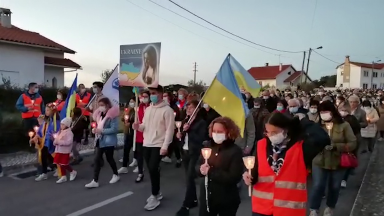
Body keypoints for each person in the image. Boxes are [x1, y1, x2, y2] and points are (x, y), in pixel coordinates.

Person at [243, 111, 329, 216]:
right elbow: (255, 173)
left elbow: (322, 138)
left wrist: (303, 121)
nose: (270, 136)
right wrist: (248, 176)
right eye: (267, 132)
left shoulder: (300, 148)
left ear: (285, 130)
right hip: (261, 209)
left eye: (274, 132)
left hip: (289, 210)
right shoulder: (261, 145)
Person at [310, 101, 357, 216]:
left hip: (338, 160)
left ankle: (330, 207)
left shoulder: (344, 125)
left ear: (332, 112)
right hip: (319, 160)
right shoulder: (316, 126)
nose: (323, 114)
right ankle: (313, 209)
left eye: (325, 112)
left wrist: (337, 146)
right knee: (318, 185)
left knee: (334, 186)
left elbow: (352, 143)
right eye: (321, 112)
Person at [133, 85, 175, 210]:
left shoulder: (167, 110)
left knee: (152, 167)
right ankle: (157, 192)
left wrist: (165, 146)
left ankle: (154, 195)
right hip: (147, 143)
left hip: (158, 144)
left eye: (154, 93)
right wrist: (138, 127)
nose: (152, 96)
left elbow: (169, 130)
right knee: (152, 169)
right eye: (151, 93)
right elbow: (144, 125)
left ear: (161, 94)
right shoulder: (149, 109)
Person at [198, 117, 243, 216]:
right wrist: (200, 170)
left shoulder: (235, 151)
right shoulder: (207, 146)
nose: (216, 134)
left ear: (228, 132)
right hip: (207, 198)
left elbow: (234, 177)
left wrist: (211, 171)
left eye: (220, 131)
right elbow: (197, 165)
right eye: (214, 131)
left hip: (226, 199)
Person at [175, 100, 208, 216]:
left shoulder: (201, 123)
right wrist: (179, 135)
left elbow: (200, 138)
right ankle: (193, 200)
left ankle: (186, 205)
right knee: (188, 179)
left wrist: (189, 130)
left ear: (197, 109)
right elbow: (183, 135)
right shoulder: (185, 120)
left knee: (189, 178)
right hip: (185, 152)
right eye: (187, 108)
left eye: (191, 108)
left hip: (195, 153)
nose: (188, 110)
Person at [85, 98, 120, 188]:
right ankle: (95, 180)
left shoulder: (112, 116)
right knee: (97, 159)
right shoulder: (99, 115)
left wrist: (101, 131)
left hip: (108, 141)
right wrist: (95, 129)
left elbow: (114, 129)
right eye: (99, 105)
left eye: (102, 105)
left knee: (109, 159)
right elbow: (98, 125)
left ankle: (116, 174)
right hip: (100, 140)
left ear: (107, 105)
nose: (100, 107)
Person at [33, 103, 61, 181]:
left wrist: (53, 137)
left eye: (48, 110)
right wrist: (37, 136)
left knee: (50, 156)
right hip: (46, 142)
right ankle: (45, 172)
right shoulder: (48, 120)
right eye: (45, 110)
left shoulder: (56, 122)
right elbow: (41, 130)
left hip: (52, 142)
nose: (46, 112)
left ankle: (48, 172)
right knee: (45, 156)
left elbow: (56, 131)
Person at [15, 82, 45, 151]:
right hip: (27, 118)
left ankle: (36, 146)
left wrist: (43, 116)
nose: (37, 89)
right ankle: (29, 147)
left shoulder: (39, 96)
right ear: (31, 88)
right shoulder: (23, 96)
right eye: (35, 87)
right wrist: (26, 109)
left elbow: (42, 107)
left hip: (37, 118)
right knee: (28, 133)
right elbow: (18, 105)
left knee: (37, 132)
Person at [338, 103, 360, 188]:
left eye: (344, 110)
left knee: (347, 161)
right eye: (341, 110)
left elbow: (357, 129)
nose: (343, 112)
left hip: (349, 143)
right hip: (340, 143)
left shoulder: (352, 119)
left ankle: (344, 179)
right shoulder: (337, 119)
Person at [53, 117, 77, 184]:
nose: (61, 126)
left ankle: (72, 171)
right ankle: (63, 176)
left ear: (67, 125)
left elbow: (69, 142)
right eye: (61, 124)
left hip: (65, 151)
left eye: (63, 124)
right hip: (58, 150)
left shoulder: (69, 133)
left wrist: (60, 142)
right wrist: (55, 142)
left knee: (64, 163)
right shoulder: (60, 132)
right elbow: (56, 139)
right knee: (59, 163)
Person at [162, 91, 182, 167]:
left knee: (174, 143)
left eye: (166, 96)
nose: (164, 97)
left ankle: (178, 158)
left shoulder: (174, 106)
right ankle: (167, 155)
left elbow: (177, 116)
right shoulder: (162, 106)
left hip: (173, 127)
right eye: (163, 96)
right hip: (165, 127)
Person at [118, 98, 136, 174]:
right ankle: (124, 165)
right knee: (126, 148)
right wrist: (125, 119)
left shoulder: (137, 110)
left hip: (134, 132)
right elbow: (123, 117)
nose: (131, 103)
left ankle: (137, 161)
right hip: (127, 131)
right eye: (130, 101)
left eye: (133, 101)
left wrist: (131, 123)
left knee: (136, 148)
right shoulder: (128, 110)